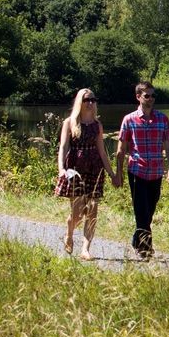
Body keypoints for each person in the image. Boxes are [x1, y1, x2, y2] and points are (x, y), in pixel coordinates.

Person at [54, 88, 119, 261]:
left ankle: (85, 249)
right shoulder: (70, 122)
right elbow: (63, 147)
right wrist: (61, 169)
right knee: (77, 213)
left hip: (94, 169)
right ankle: (69, 230)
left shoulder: (97, 125)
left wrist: (112, 174)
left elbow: (102, 152)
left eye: (93, 100)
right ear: (79, 102)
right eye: (87, 100)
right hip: (75, 170)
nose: (90, 103)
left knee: (92, 210)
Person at [116, 81, 169, 258]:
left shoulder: (163, 119)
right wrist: (117, 174)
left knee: (149, 211)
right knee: (141, 211)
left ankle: (137, 238)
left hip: (156, 172)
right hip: (137, 171)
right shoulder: (129, 119)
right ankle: (145, 249)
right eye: (147, 96)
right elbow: (121, 149)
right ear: (138, 97)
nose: (151, 99)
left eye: (153, 96)